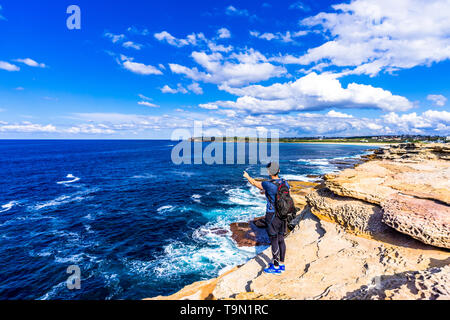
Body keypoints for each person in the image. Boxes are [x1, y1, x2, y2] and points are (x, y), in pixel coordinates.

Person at [243, 162, 289, 275]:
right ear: (279, 171)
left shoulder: (267, 184)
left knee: (273, 240)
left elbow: (254, 183)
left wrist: (247, 176)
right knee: (281, 239)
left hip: (272, 215)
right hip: (283, 215)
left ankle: (276, 267)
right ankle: (281, 264)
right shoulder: (285, 182)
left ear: (269, 172)